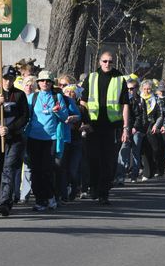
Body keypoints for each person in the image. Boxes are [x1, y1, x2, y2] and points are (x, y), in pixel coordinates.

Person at [80, 52, 130, 205]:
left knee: (108, 161)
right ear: (99, 61)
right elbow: (83, 102)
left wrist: (126, 128)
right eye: (105, 61)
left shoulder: (119, 78)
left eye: (110, 61)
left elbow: (125, 105)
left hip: (111, 127)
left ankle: (104, 193)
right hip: (93, 126)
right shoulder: (92, 77)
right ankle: (93, 187)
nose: (108, 64)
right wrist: (84, 121)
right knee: (92, 159)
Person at [0, 66, 29, 216]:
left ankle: (5, 203)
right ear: (0, 79)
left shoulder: (20, 95)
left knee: (8, 169)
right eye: (5, 79)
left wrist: (9, 129)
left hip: (14, 138)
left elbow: (24, 117)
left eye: (10, 79)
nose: (7, 82)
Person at [25, 70, 69, 211]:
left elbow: (64, 117)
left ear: (52, 83)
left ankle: (50, 196)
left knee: (47, 170)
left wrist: (57, 111)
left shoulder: (57, 97)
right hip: (34, 137)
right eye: (42, 81)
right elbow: (26, 116)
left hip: (51, 139)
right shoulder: (32, 97)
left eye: (48, 81)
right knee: (35, 170)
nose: (45, 83)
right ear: (38, 83)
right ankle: (40, 199)